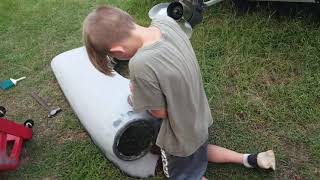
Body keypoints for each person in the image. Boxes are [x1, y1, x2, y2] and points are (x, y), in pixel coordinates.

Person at [82, 5, 276, 180]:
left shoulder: (140, 64)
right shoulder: (166, 22)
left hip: (179, 133)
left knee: (181, 175)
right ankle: (250, 159)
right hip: (199, 116)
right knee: (198, 151)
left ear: (118, 52)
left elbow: (160, 113)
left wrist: (137, 93)